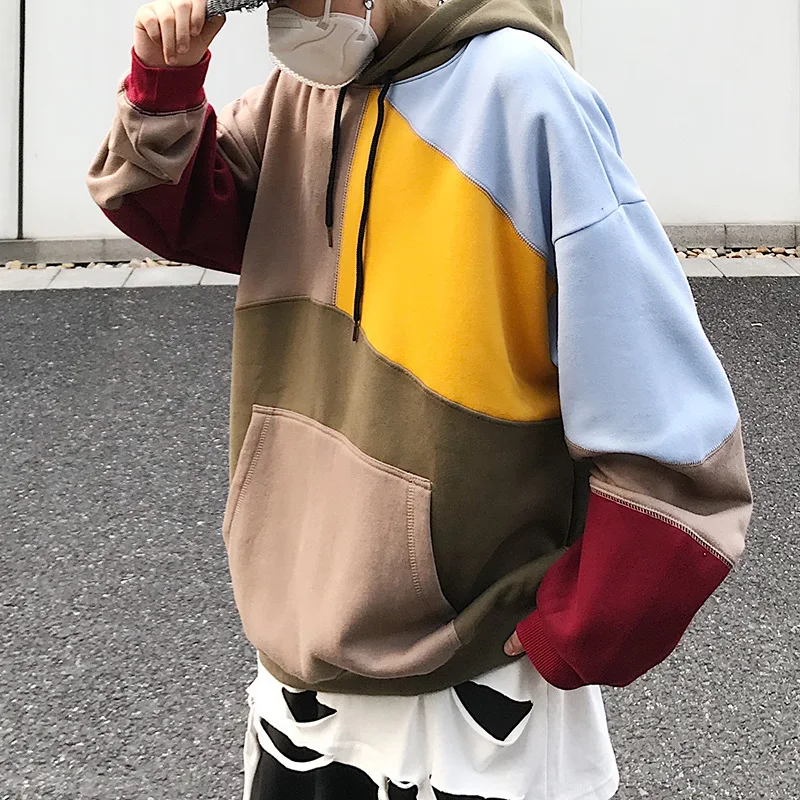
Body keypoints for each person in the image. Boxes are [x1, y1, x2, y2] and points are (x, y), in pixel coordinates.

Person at [86, 0, 754, 797]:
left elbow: (671, 428)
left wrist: (582, 629)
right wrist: (165, 83)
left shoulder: (523, 96)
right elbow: (183, 210)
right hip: (298, 675)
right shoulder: (307, 92)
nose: (290, 19)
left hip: (472, 702)